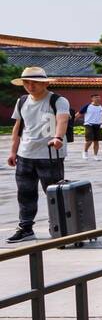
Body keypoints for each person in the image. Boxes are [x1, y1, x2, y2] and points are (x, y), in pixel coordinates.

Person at [6, 66, 70, 243]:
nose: (30, 86)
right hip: (25, 154)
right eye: (27, 82)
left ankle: (59, 227)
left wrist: (57, 137)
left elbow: (62, 120)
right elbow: (18, 127)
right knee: (25, 193)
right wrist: (13, 151)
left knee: (54, 193)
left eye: (35, 82)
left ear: (46, 83)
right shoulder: (22, 101)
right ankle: (26, 228)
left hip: (50, 154)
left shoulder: (58, 100)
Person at [76, 93, 102, 160]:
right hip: (89, 124)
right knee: (89, 140)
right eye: (96, 97)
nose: (97, 99)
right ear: (92, 99)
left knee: (96, 141)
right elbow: (79, 114)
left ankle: (95, 155)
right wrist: (71, 121)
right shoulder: (88, 106)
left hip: (98, 125)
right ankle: (85, 152)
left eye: (98, 97)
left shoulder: (101, 107)